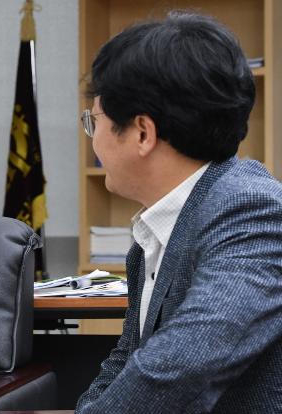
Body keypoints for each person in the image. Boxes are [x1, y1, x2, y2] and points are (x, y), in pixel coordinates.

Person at [76, 12, 282, 413]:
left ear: (141, 133)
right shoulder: (155, 229)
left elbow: (183, 363)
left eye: (93, 121)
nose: (93, 141)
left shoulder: (252, 211)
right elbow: (127, 359)